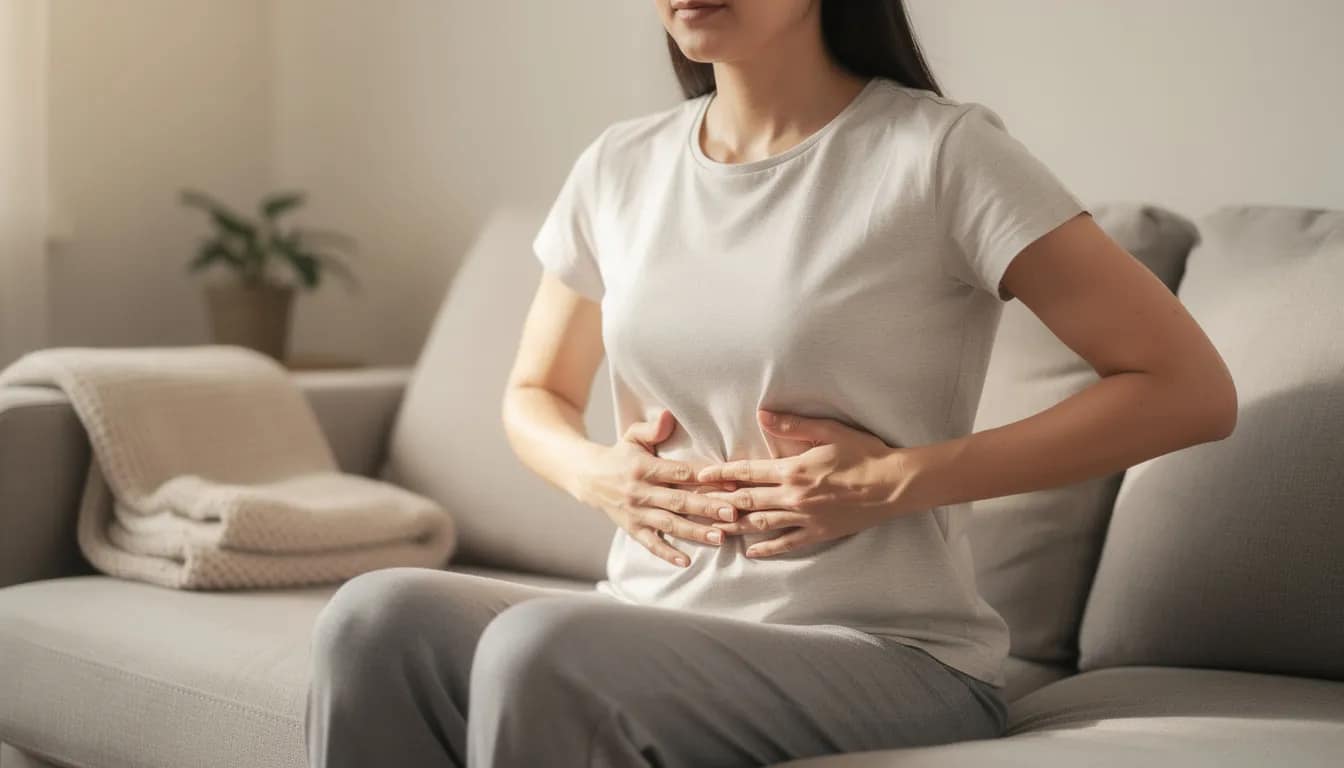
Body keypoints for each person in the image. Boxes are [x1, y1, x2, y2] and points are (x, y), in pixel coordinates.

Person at [304, 1, 1239, 766]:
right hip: (642, 622)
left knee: (540, 650)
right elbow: (534, 393)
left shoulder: (938, 153)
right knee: (376, 618)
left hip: (885, 653)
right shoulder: (620, 166)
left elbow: (1188, 387)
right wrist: (598, 475)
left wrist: (893, 480)